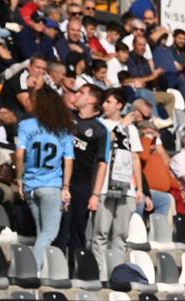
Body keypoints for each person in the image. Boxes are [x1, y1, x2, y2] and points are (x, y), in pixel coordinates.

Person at [15, 86, 74, 268]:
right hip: (51, 185)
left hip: (30, 184)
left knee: (42, 232)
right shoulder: (64, 129)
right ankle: (32, 270)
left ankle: (41, 270)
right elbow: (69, 160)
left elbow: (19, 155)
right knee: (49, 233)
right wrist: (66, 187)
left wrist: (19, 179)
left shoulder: (26, 125)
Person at [92, 88, 142, 281]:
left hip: (126, 188)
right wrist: (122, 125)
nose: (104, 105)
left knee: (120, 235)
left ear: (119, 105)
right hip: (104, 186)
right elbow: (107, 141)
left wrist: (139, 188)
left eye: (108, 102)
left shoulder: (131, 129)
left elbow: (135, 158)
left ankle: (117, 275)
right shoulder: (100, 124)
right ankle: (99, 274)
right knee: (101, 233)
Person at [62, 84, 108, 257]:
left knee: (77, 231)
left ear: (91, 100)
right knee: (60, 228)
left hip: (82, 185)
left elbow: (102, 163)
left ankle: (75, 271)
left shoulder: (100, 130)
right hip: (60, 180)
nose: (77, 95)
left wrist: (95, 195)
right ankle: (54, 268)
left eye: (81, 92)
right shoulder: (66, 117)